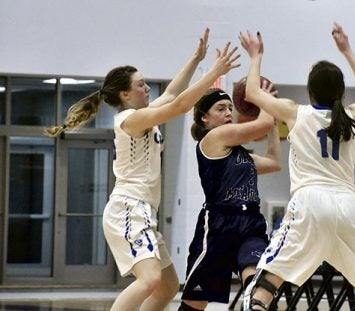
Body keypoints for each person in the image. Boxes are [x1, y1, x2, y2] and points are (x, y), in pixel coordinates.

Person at [45, 29, 241, 311]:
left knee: (168, 286)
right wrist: (213, 73)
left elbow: (173, 92)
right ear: (125, 94)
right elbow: (181, 104)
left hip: (143, 211)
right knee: (150, 280)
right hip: (129, 209)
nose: (148, 88)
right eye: (141, 84)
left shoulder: (141, 115)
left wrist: (196, 59)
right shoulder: (130, 120)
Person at [238, 23, 355, 311]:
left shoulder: (295, 113)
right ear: (341, 92)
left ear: (310, 91)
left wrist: (256, 56)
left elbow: (252, 92)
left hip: (309, 204)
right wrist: (347, 51)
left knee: (264, 287)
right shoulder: (353, 116)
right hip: (348, 206)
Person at [177, 84, 282, 311]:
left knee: (258, 289)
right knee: (195, 304)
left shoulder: (240, 154)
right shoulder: (213, 139)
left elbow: (274, 163)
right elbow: (260, 125)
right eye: (220, 108)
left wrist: (273, 124)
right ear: (205, 118)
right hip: (218, 226)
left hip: (250, 224)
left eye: (230, 108)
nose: (228, 113)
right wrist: (265, 100)